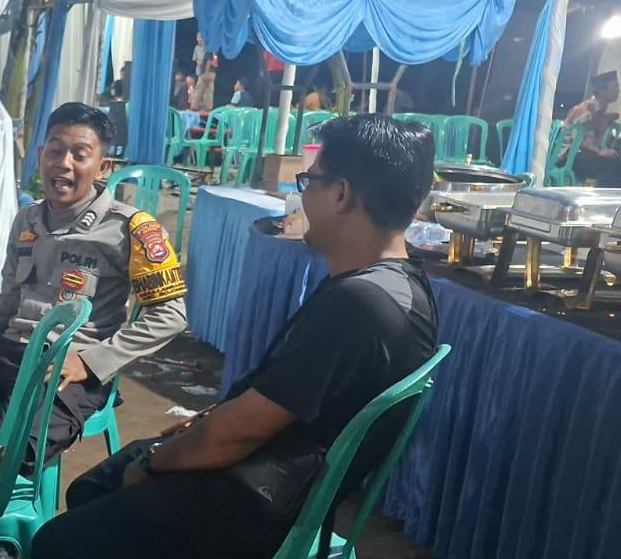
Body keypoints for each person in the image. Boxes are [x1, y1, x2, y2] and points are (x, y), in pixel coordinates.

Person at [33, 114, 440, 559]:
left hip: (257, 505)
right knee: (96, 484)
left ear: (341, 194)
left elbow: (237, 436)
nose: (302, 197)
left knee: (57, 540)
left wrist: (154, 462)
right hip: (285, 478)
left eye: (309, 182)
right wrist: (213, 419)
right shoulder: (404, 285)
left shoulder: (359, 303)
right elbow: (288, 401)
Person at [0, 103, 188, 463]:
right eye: (55, 151)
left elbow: (171, 316)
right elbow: (11, 296)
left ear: (103, 166)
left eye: (80, 155)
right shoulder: (26, 219)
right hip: (6, 353)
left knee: (3, 456)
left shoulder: (130, 229)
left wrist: (92, 362)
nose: (64, 163)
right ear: (42, 154)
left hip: (67, 365)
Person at [564, 71, 621, 187]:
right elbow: (576, 139)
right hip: (570, 156)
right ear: (601, 90)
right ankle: (604, 196)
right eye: (614, 86)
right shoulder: (585, 109)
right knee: (613, 164)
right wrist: (600, 152)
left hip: (588, 155)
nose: (618, 90)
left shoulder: (602, 112)